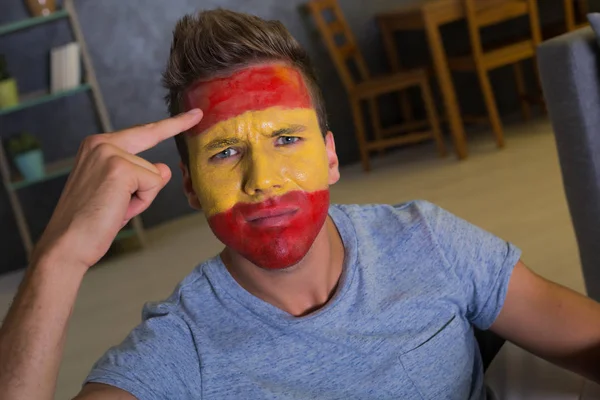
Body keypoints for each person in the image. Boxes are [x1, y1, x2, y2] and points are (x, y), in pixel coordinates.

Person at [1, 8, 600, 400]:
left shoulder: (426, 240)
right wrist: (58, 259)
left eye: (286, 139)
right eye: (225, 153)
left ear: (331, 157)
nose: (264, 179)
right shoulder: (181, 347)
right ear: (188, 186)